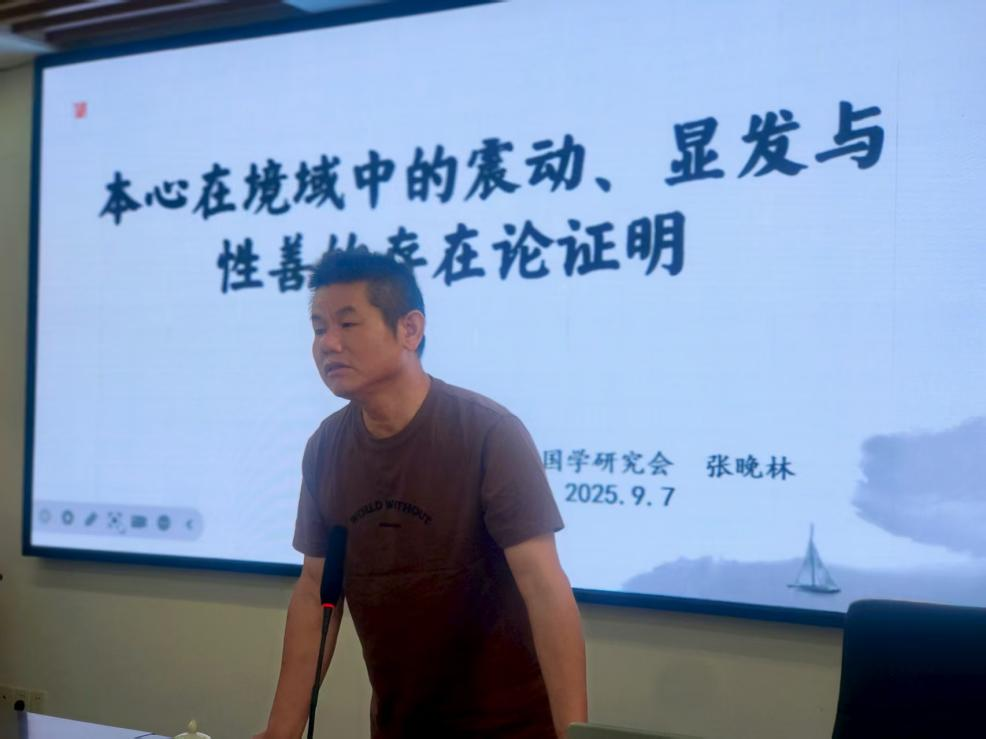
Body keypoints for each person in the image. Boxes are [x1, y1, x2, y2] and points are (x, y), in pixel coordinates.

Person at [254, 249, 587, 739]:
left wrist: (573, 733)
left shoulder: (487, 433)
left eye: (348, 324)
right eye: (319, 328)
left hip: (509, 727)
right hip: (399, 724)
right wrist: (281, 731)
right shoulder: (326, 447)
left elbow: (544, 587)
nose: (328, 344)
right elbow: (314, 591)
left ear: (410, 329)